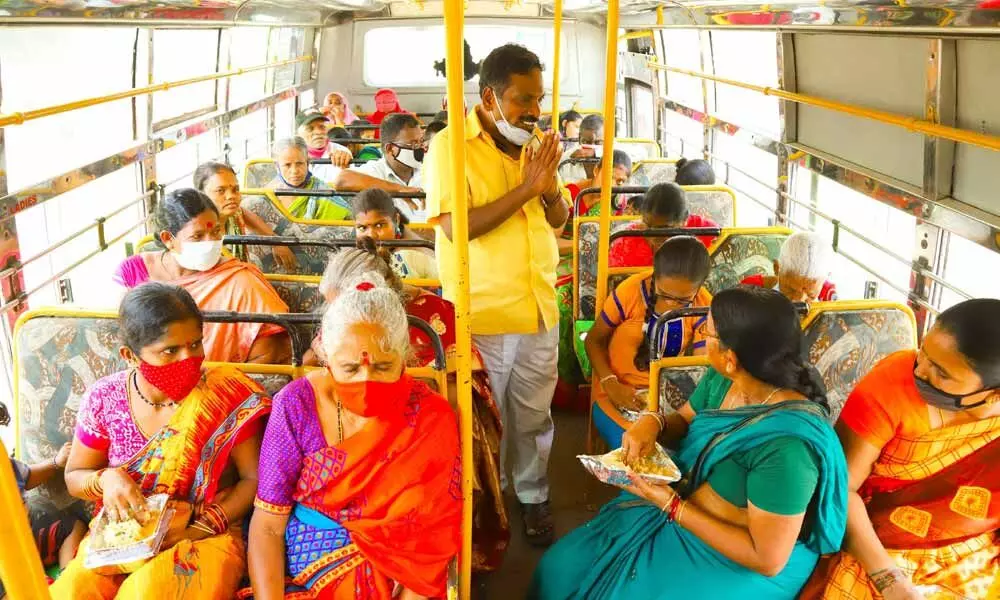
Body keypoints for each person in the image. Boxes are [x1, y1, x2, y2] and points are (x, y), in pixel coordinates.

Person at [530, 286, 849, 599]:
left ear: (730, 357)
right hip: (685, 506)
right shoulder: (726, 378)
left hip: (734, 558)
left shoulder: (788, 449)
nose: (702, 340)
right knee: (559, 569)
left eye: (708, 334)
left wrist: (670, 506)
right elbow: (684, 420)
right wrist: (651, 423)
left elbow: (766, 559)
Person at [424, 43, 569, 546]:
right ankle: (485, 499)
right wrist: (528, 188)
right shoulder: (449, 147)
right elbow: (453, 227)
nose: (534, 111)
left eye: (539, 99)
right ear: (489, 96)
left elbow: (559, 217)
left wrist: (548, 187)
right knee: (485, 419)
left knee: (533, 414)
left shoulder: (535, 145)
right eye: (523, 99)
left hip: (539, 306)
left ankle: (532, 494)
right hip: (482, 311)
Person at [246, 272, 462, 599]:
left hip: (404, 576)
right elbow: (268, 525)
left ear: (404, 358)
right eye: (349, 368)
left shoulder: (431, 417)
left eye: (383, 367)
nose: (366, 380)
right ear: (326, 357)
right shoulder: (295, 405)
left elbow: (433, 537)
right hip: (311, 566)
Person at [51, 283, 271, 599]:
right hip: (121, 537)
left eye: (195, 344)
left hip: (204, 533)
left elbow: (254, 479)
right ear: (129, 355)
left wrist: (198, 527)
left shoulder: (227, 394)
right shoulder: (105, 398)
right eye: (170, 351)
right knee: (72, 591)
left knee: (149, 593)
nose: (189, 359)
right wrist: (107, 479)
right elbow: (75, 476)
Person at [312, 243, 510, 571]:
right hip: (352, 420)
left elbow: (463, 387)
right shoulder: (340, 322)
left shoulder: (437, 313)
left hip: (427, 417)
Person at [800, 298, 1000, 600]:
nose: (920, 371)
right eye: (923, 352)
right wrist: (889, 580)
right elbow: (842, 490)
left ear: (993, 394)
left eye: (942, 373)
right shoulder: (892, 385)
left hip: (973, 551)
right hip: (873, 541)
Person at [112, 189, 291, 364]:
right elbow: (126, 334)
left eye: (215, 232)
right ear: (168, 239)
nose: (210, 243)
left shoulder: (241, 280)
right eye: (197, 236)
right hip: (152, 379)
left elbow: (269, 352)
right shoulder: (133, 272)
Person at [586, 236, 713, 447]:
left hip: (670, 399)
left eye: (682, 300)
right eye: (664, 294)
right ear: (655, 277)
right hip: (618, 393)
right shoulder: (630, 292)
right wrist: (610, 383)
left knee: (698, 448)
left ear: (699, 287)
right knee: (637, 450)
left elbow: (703, 366)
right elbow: (593, 340)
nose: (672, 305)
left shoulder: (703, 304)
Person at [554, 149, 634, 403]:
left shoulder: (621, 205)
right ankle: (565, 381)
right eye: (610, 177)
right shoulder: (570, 195)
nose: (614, 186)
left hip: (600, 262)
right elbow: (552, 242)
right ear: (596, 170)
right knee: (563, 301)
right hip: (565, 257)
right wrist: (585, 245)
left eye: (621, 182)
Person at [0, 406, 86, 600]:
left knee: (72, 525)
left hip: (27, 539)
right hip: (5, 564)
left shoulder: (5, 465)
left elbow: (28, 477)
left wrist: (56, 462)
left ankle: (67, 576)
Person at [192, 161, 297, 270]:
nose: (231, 196)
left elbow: (247, 217)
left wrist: (275, 241)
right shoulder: (197, 233)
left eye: (235, 189)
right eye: (220, 191)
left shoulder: (234, 213)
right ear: (201, 194)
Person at [334, 112, 426, 222]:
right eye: (412, 144)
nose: (419, 148)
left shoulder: (428, 169)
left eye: (420, 142)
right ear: (390, 149)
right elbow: (342, 180)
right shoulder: (376, 170)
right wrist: (400, 189)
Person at [608, 182, 719, 268]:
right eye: (648, 226)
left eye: (663, 230)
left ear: (684, 220)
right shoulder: (626, 241)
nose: (654, 237)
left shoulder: (708, 233)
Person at [352, 189, 438, 279]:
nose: (371, 235)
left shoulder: (404, 256)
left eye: (379, 225)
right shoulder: (353, 254)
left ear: (396, 220)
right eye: (362, 228)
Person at [267, 137, 353, 221]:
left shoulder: (324, 193)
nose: (294, 171)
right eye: (287, 165)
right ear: (277, 166)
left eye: (299, 163)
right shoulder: (267, 193)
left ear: (307, 163)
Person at [741, 231, 838, 303]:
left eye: (811, 295)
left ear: (825, 279)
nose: (799, 300)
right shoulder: (749, 289)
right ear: (777, 268)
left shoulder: (828, 295)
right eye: (791, 290)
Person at [294, 108, 352, 173]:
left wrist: (345, 168)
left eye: (322, 127)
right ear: (298, 134)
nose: (318, 132)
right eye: (310, 128)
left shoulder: (343, 152)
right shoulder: (292, 156)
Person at [559, 114, 604, 182]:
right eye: (586, 142)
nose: (592, 147)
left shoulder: (612, 157)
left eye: (598, 142)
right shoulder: (566, 159)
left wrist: (596, 153)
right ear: (579, 138)